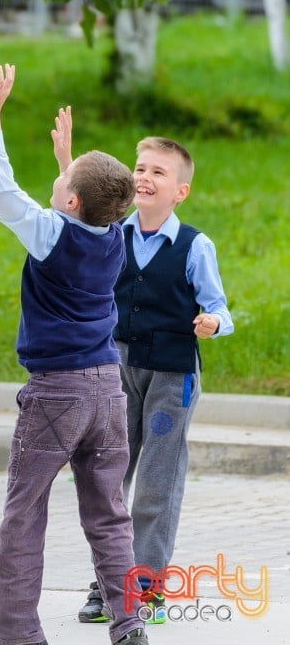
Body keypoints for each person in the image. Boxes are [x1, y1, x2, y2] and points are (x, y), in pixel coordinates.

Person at [0, 64, 148, 645]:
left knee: (23, 516)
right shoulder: (116, 234)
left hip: (57, 393)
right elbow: (88, 212)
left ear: (69, 199)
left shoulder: (52, 232)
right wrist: (68, 165)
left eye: (64, 185)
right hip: (108, 388)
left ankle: (17, 634)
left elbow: (4, 193)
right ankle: (128, 621)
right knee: (109, 516)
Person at [70, 130, 234, 626]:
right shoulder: (110, 233)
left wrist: (212, 322)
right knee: (107, 476)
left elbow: (218, 307)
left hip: (171, 376)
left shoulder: (193, 245)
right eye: (140, 169)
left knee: (158, 484)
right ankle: (105, 584)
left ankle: (146, 588)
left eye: (157, 172)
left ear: (179, 191)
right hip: (114, 368)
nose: (144, 177)